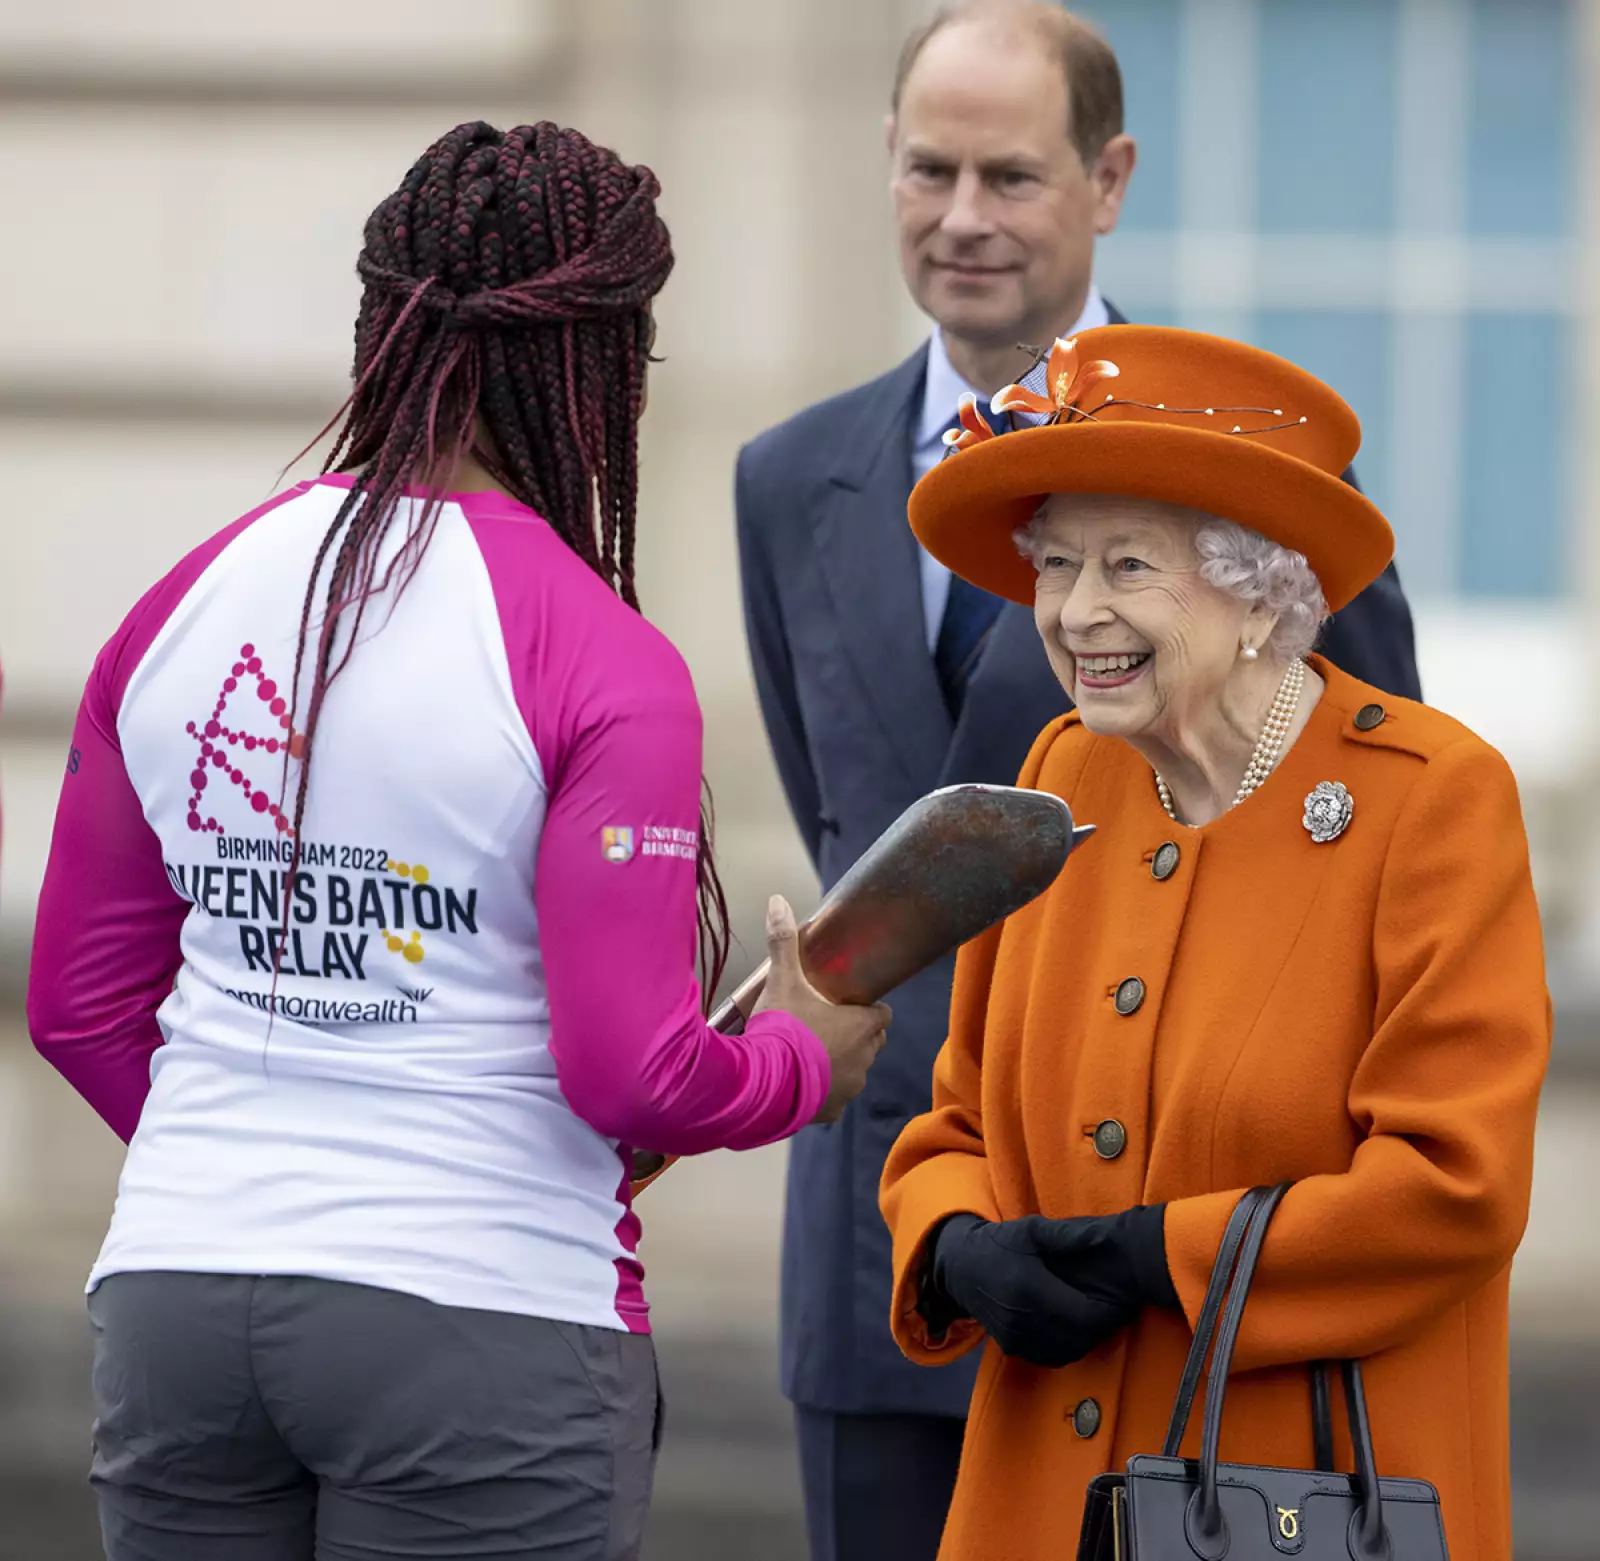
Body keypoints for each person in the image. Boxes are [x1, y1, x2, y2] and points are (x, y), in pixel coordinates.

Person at [26, 120, 889, 1561]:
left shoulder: (185, 596)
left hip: (178, 1287)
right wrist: (806, 1059)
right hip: (482, 1312)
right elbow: (633, 1070)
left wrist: (261, 1175)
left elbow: (76, 1005)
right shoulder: (601, 656)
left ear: (382, 324)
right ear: (598, 364)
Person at [733, 4, 1422, 1556]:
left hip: (1145, 1248)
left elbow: (1366, 819)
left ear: (1107, 182)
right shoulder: (785, 479)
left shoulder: (1250, 482)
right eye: (930, 171)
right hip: (881, 1242)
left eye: (1012, 176)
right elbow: (870, 831)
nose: (964, 217)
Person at [878, 322, 1549, 1561]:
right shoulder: (1058, 775)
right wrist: (957, 1243)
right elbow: (955, 1122)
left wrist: (1158, 1255)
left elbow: (1454, 1187)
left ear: (1259, 591)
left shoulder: (1429, 796)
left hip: (1297, 1497)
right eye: (1057, 564)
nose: (1076, 612)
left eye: (1128, 565)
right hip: (1039, 1496)